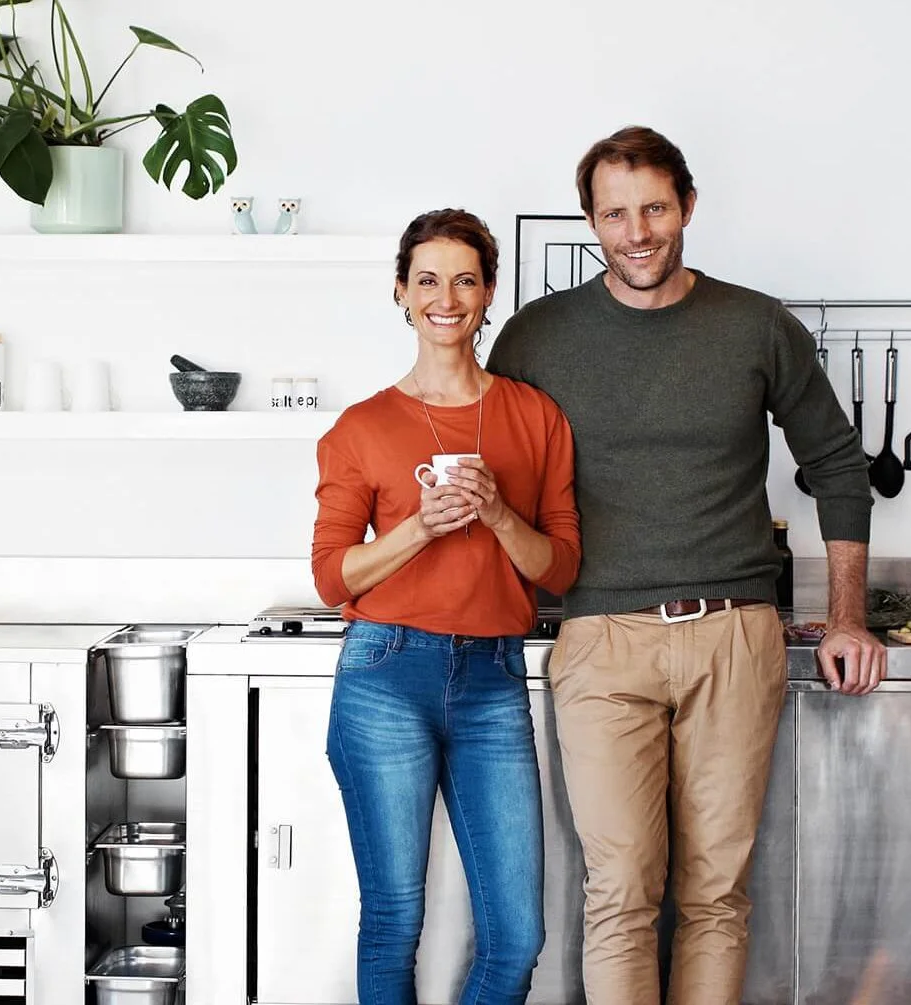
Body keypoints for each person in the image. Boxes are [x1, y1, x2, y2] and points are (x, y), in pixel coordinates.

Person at [487, 126, 887, 1005]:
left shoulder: (756, 324)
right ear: (592, 222)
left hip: (736, 637)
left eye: (655, 209)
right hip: (599, 642)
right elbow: (490, 469)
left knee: (714, 896)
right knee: (621, 893)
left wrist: (849, 614)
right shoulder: (534, 337)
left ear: (688, 207)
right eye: (616, 213)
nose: (638, 231)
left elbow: (838, 464)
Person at [312, 208, 581, 1005]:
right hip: (385, 675)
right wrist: (421, 526)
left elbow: (561, 568)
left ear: (488, 293)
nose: (446, 296)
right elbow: (334, 575)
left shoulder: (534, 416)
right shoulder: (361, 427)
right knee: (394, 919)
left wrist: (498, 514)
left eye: (465, 279)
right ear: (401, 292)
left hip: (493, 678)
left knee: (517, 935)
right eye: (427, 279)